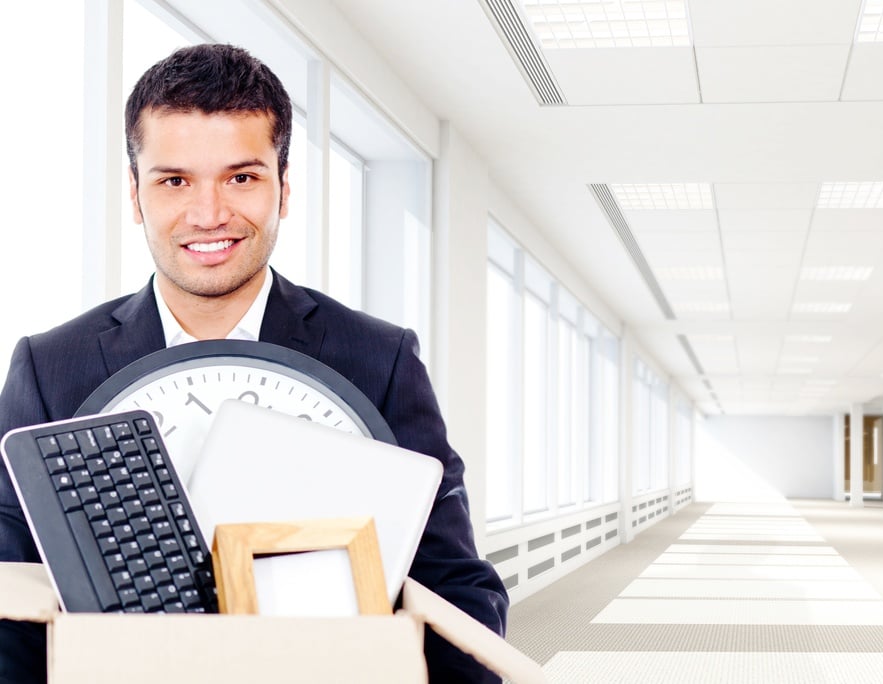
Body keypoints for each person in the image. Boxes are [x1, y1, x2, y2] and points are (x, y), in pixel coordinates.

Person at [0, 43, 508, 682]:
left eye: (241, 177)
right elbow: (8, 597)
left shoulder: (378, 359)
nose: (209, 214)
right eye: (174, 180)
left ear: (284, 188)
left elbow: (457, 589)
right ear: (135, 195)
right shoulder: (50, 368)